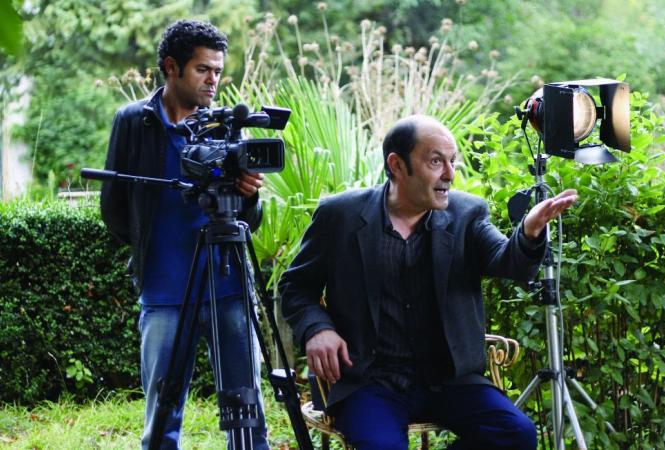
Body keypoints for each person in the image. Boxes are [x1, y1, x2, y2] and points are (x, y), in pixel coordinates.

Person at [280, 115, 578, 449]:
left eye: (452, 161)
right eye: (436, 161)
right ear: (396, 164)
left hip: (449, 379)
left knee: (516, 434)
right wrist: (318, 329)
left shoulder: (467, 213)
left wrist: (529, 231)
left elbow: (507, 261)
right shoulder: (342, 215)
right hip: (369, 381)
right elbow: (295, 287)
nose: (449, 175)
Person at [100, 20, 268, 450]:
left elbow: (252, 215)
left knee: (246, 408)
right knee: (161, 413)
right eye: (202, 70)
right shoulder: (133, 122)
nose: (214, 80)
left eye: (218, 71)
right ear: (171, 67)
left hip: (227, 284)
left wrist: (248, 196)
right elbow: (114, 209)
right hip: (163, 290)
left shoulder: (227, 124)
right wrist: (150, 248)